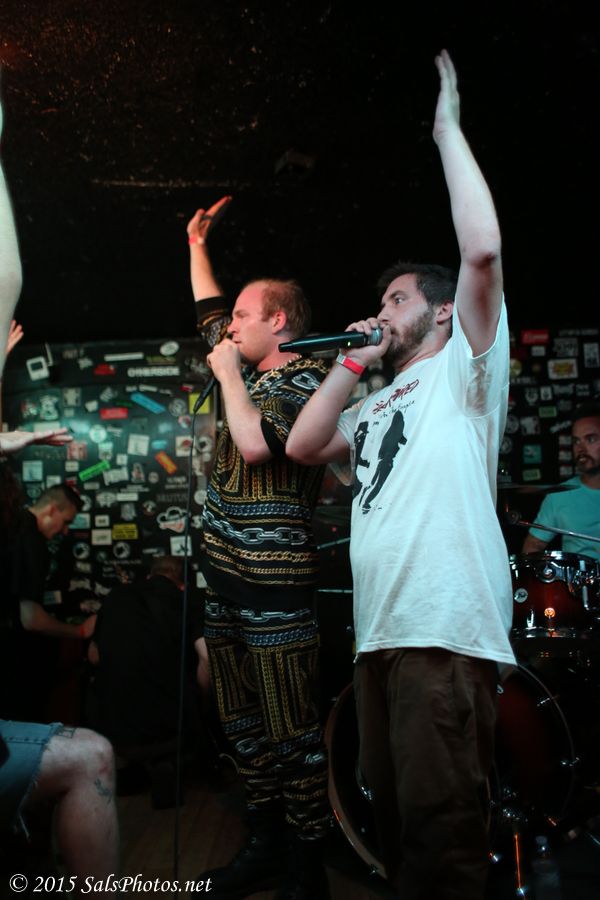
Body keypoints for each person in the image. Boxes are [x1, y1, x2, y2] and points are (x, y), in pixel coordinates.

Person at [286, 50, 515, 900]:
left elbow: (482, 250)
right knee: (396, 840)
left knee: (443, 845)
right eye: (379, 303)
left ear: (441, 311)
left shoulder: (466, 370)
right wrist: (352, 360)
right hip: (379, 640)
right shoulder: (375, 402)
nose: (381, 311)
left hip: (441, 634)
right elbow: (305, 445)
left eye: (396, 302)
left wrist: (447, 130)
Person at [186, 198, 332, 898]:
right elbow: (208, 310)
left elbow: (255, 444)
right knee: (241, 725)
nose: (230, 327)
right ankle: (265, 844)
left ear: (278, 322)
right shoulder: (244, 363)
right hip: (224, 580)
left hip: (276, 586)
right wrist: (196, 245)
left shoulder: (309, 376)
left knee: (291, 733)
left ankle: (307, 867)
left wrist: (226, 376)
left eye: (244, 316)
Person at [86, 555, 212, 806]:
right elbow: (206, 656)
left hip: (114, 720)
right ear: (183, 584)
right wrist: (202, 697)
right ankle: (164, 761)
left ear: (148, 576)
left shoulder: (116, 596)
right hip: (167, 721)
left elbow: (94, 656)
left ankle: (124, 768)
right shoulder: (190, 600)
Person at [522, 401, 600, 561]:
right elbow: (533, 546)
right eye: (576, 441)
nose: (581, 448)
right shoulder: (559, 496)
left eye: (590, 439)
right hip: (580, 577)